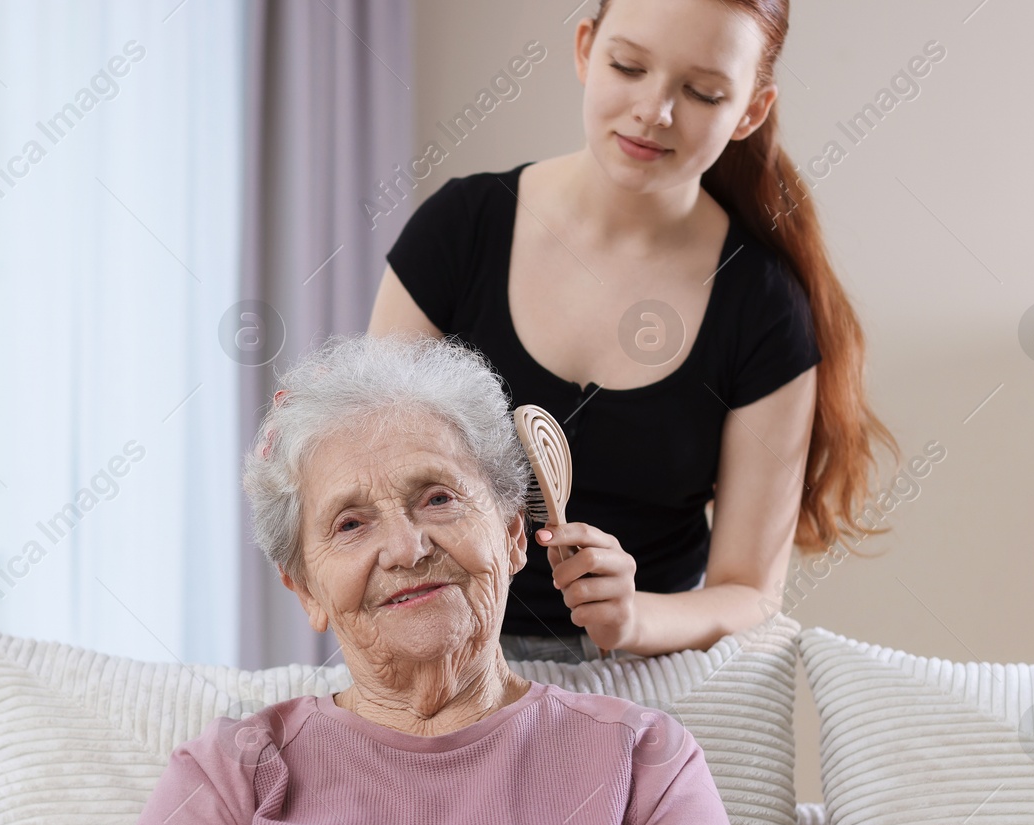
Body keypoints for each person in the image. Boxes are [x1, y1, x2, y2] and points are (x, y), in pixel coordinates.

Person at [72, 335, 787, 825]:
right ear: (308, 590)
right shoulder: (228, 772)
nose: (408, 547)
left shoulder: (644, 760)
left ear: (513, 536)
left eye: (438, 498)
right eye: (351, 523)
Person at [369, 0, 896, 666]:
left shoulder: (764, 309)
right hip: (438, 659)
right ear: (586, 49)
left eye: (703, 92)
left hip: (633, 685)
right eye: (628, 65)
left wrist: (633, 615)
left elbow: (750, 592)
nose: (656, 110)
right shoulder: (460, 230)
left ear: (751, 111)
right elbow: (370, 475)